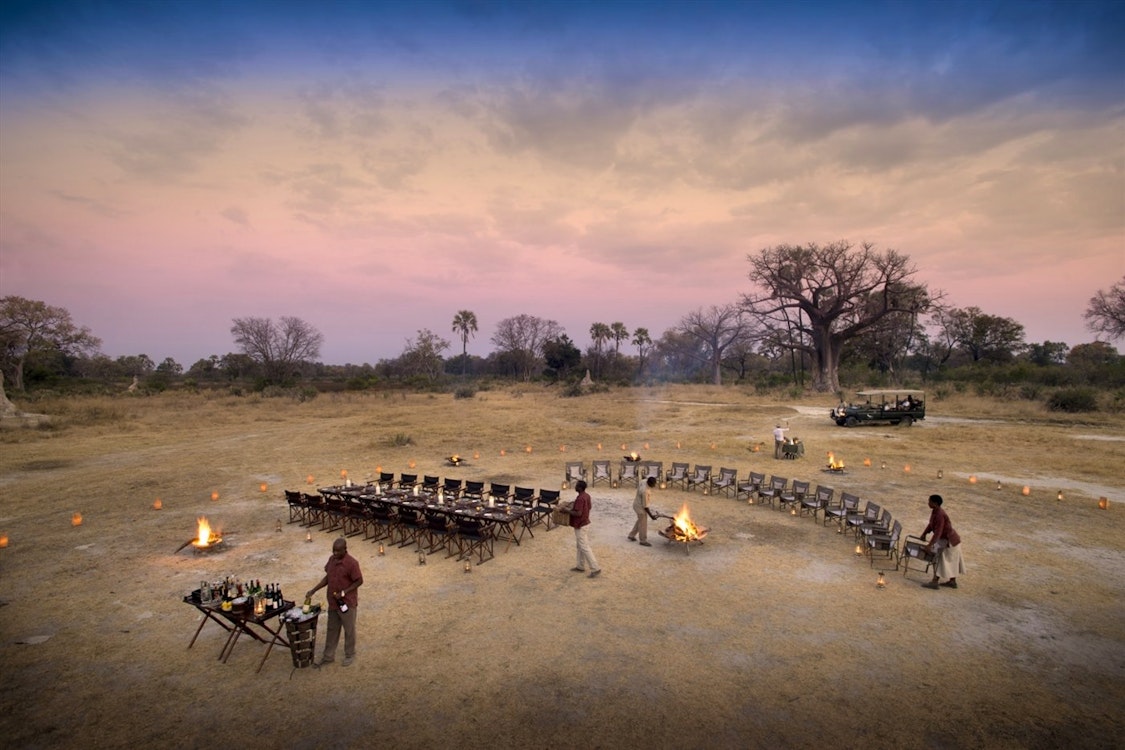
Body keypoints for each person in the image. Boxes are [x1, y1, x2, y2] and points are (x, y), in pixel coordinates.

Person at [306, 536, 364, 666]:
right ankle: (328, 656)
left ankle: (350, 654)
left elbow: (359, 581)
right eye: (333, 551)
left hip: (347, 602)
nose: (335, 554)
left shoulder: (352, 563)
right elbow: (327, 577)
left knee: (349, 630)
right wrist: (314, 590)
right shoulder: (332, 560)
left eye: (338, 551)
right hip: (333, 602)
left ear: (345, 550)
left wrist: (344, 592)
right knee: (332, 629)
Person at [919, 494, 965, 590]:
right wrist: (924, 533)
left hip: (950, 540)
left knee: (938, 558)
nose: (928, 503)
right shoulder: (935, 512)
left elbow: (938, 532)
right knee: (948, 560)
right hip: (946, 539)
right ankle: (952, 581)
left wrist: (930, 545)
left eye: (930, 501)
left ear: (935, 503)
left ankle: (935, 581)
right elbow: (931, 525)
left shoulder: (940, 514)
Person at [562, 480, 601, 578]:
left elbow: (578, 513)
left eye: (576, 486)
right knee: (580, 546)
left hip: (580, 525)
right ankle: (580, 566)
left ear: (580, 488)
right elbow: (589, 507)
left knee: (584, 547)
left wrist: (567, 510)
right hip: (585, 523)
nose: (575, 487)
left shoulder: (580, 498)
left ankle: (595, 568)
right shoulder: (587, 496)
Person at [628, 476, 656, 546]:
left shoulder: (644, 481)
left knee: (641, 521)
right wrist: (651, 516)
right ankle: (643, 540)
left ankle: (631, 535)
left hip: (636, 503)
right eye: (653, 484)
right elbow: (645, 507)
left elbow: (644, 478)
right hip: (640, 507)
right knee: (643, 524)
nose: (654, 486)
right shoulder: (645, 492)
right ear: (649, 483)